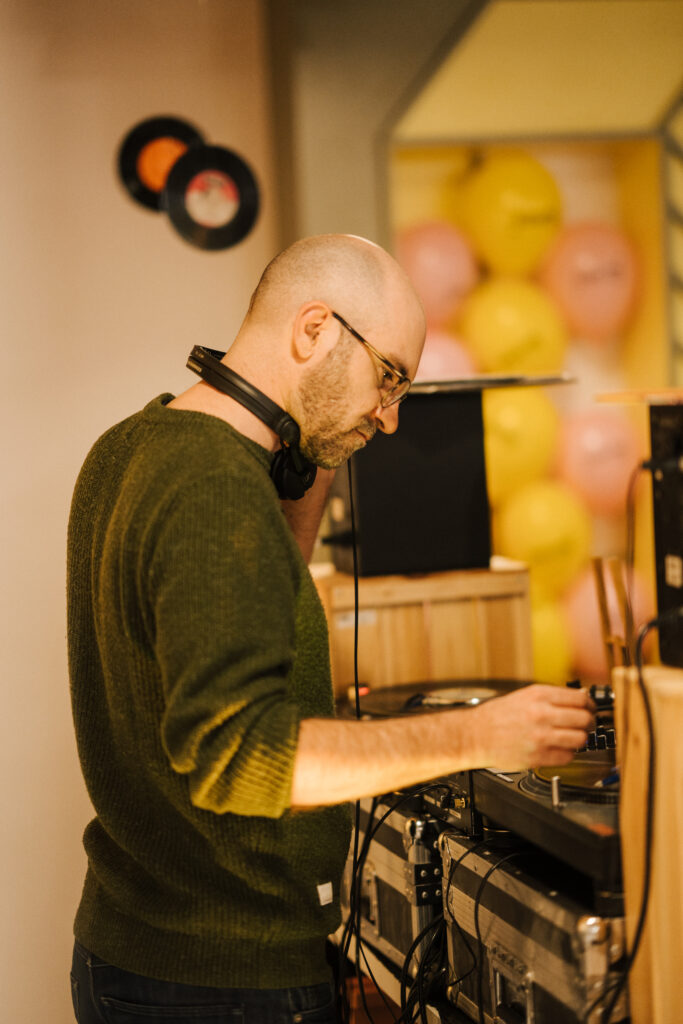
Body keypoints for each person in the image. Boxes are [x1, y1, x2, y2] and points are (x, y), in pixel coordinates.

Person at [67, 233, 594, 1024]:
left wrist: (304, 454)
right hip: (220, 985)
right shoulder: (213, 489)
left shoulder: (134, 447)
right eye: (389, 379)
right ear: (313, 329)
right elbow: (242, 759)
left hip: (144, 955)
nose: (386, 422)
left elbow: (257, 605)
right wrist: (480, 736)